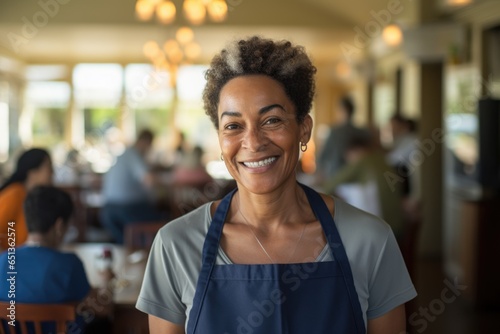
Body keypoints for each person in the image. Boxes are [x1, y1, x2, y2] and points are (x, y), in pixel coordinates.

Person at [136, 36, 416, 334]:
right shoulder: (176, 245)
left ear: (303, 130)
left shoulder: (369, 240)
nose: (253, 142)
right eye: (233, 126)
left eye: (272, 120)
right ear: (219, 139)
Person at [0, 186, 113, 333]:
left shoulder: (3, 261)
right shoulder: (68, 265)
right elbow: (103, 309)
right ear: (59, 226)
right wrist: (107, 282)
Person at [323, 135, 405, 240]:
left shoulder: (363, 161)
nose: (347, 160)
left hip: (379, 232)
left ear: (355, 150)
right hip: (397, 226)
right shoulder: (383, 160)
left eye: (348, 155)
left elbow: (329, 185)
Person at [100, 129, 163, 243]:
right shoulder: (134, 154)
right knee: (167, 222)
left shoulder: (123, 155)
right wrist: (164, 183)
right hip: (127, 209)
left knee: (126, 243)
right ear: (147, 142)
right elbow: (149, 180)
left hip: (107, 210)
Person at [0, 148, 53, 251]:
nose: (52, 173)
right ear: (32, 171)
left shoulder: (36, 198)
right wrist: (8, 262)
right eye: (49, 167)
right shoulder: (15, 194)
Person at [316, 95, 370, 181]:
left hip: (336, 176)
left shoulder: (334, 132)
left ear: (341, 110)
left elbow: (322, 157)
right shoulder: (363, 132)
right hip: (358, 177)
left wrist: (319, 173)